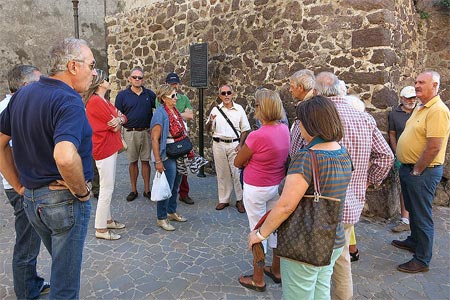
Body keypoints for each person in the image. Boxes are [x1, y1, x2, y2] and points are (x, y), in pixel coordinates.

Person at [0, 38, 96, 299]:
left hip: (32, 200)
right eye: (91, 64)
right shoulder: (69, 100)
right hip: (63, 202)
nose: (94, 71)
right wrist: (82, 191)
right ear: (73, 66)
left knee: (62, 266)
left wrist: (20, 185)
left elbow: (0, 143)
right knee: (64, 286)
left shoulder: (23, 94)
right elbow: (65, 157)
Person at [247, 96, 353, 299]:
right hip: (333, 240)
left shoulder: (306, 158)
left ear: (311, 124)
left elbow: (286, 206)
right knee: (321, 291)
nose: (299, 127)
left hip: (306, 244)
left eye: (300, 122)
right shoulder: (343, 153)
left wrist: (260, 235)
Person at [314, 71, 394, 300]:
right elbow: (386, 157)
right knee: (341, 259)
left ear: (318, 92)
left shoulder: (315, 116)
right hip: (351, 204)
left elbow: (296, 155)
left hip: (320, 202)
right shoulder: (365, 118)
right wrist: (369, 181)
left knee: (317, 262)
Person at [0, 65, 50, 298]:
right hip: (21, 187)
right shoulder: (12, 109)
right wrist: (20, 186)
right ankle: (26, 291)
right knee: (27, 243)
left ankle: (31, 283)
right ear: (27, 85)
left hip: (20, 185)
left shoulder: (9, 106)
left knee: (29, 240)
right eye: (39, 82)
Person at [393, 71, 450, 273]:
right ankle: (414, 240)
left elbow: (434, 146)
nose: (416, 85)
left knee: (422, 214)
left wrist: (417, 170)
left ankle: (422, 259)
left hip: (423, 172)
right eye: (416, 82)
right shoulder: (420, 106)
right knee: (413, 208)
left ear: (434, 85)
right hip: (409, 168)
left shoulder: (438, 110)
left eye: (421, 82)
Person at [234, 88, 290, 291]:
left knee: (257, 231)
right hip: (277, 185)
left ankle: (258, 278)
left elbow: (239, 162)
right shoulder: (285, 130)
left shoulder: (257, 136)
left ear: (260, 108)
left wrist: (242, 152)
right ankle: (276, 269)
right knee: (275, 227)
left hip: (256, 186)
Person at [85, 69, 127, 240]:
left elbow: (122, 117)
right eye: (107, 79)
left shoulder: (103, 101)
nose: (109, 80)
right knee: (106, 189)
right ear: (100, 82)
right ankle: (100, 228)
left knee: (106, 187)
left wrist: (120, 120)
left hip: (108, 147)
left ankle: (107, 220)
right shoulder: (96, 102)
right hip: (103, 148)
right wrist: (118, 121)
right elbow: (114, 125)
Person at [206, 84, 251, 213]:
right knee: (222, 173)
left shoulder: (239, 109)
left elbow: (245, 129)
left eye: (228, 93)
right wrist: (210, 122)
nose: (226, 96)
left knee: (237, 173)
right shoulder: (215, 110)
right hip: (218, 144)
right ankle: (224, 199)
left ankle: (240, 200)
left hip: (234, 144)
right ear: (220, 95)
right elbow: (208, 129)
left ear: (232, 94)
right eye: (223, 93)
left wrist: (241, 145)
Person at [150, 84, 188, 231]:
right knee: (166, 186)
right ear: (164, 98)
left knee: (176, 184)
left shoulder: (175, 111)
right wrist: (158, 160)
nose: (176, 98)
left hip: (178, 152)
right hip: (167, 154)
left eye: (176, 94)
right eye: (173, 96)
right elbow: (154, 139)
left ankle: (171, 211)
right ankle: (161, 217)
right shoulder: (160, 113)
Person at [115, 67, 156, 201]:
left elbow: (159, 111)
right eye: (135, 77)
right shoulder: (122, 95)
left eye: (140, 77)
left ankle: (147, 190)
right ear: (129, 79)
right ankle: (133, 190)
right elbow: (117, 115)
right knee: (132, 162)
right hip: (130, 133)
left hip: (146, 132)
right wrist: (118, 135)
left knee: (145, 162)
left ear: (143, 79)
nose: (137, 79)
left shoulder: (149, 94)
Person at [388, 86, 417, 233]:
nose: (412, 100)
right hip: (402, 157)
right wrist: (396, 152)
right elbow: (392, 134)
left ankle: (417, 219)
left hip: (419, 156)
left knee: (417, 187)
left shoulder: (420, 111)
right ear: (401, 98)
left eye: (413, 97)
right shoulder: (394, 114)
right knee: (404, 187)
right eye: (408, 98)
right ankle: (405, 219)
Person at [164, 72, 195, 205]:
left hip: (182, 137)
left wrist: (175, 114)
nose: (174, 85)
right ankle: (167, 195)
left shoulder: (184, 98)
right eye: (171, 83)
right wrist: (181, 115)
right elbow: (163, 114)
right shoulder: (162, 98)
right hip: (169, 139)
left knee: (183, 166)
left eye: (175, 83)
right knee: (169, 168)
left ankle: (183, 193)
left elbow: (191, 115)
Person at [288, 69, 316, 156]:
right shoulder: (314, 102)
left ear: (300, 87)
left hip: (303, 162)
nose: (290, 90)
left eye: (292, 86)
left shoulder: (309, 106)